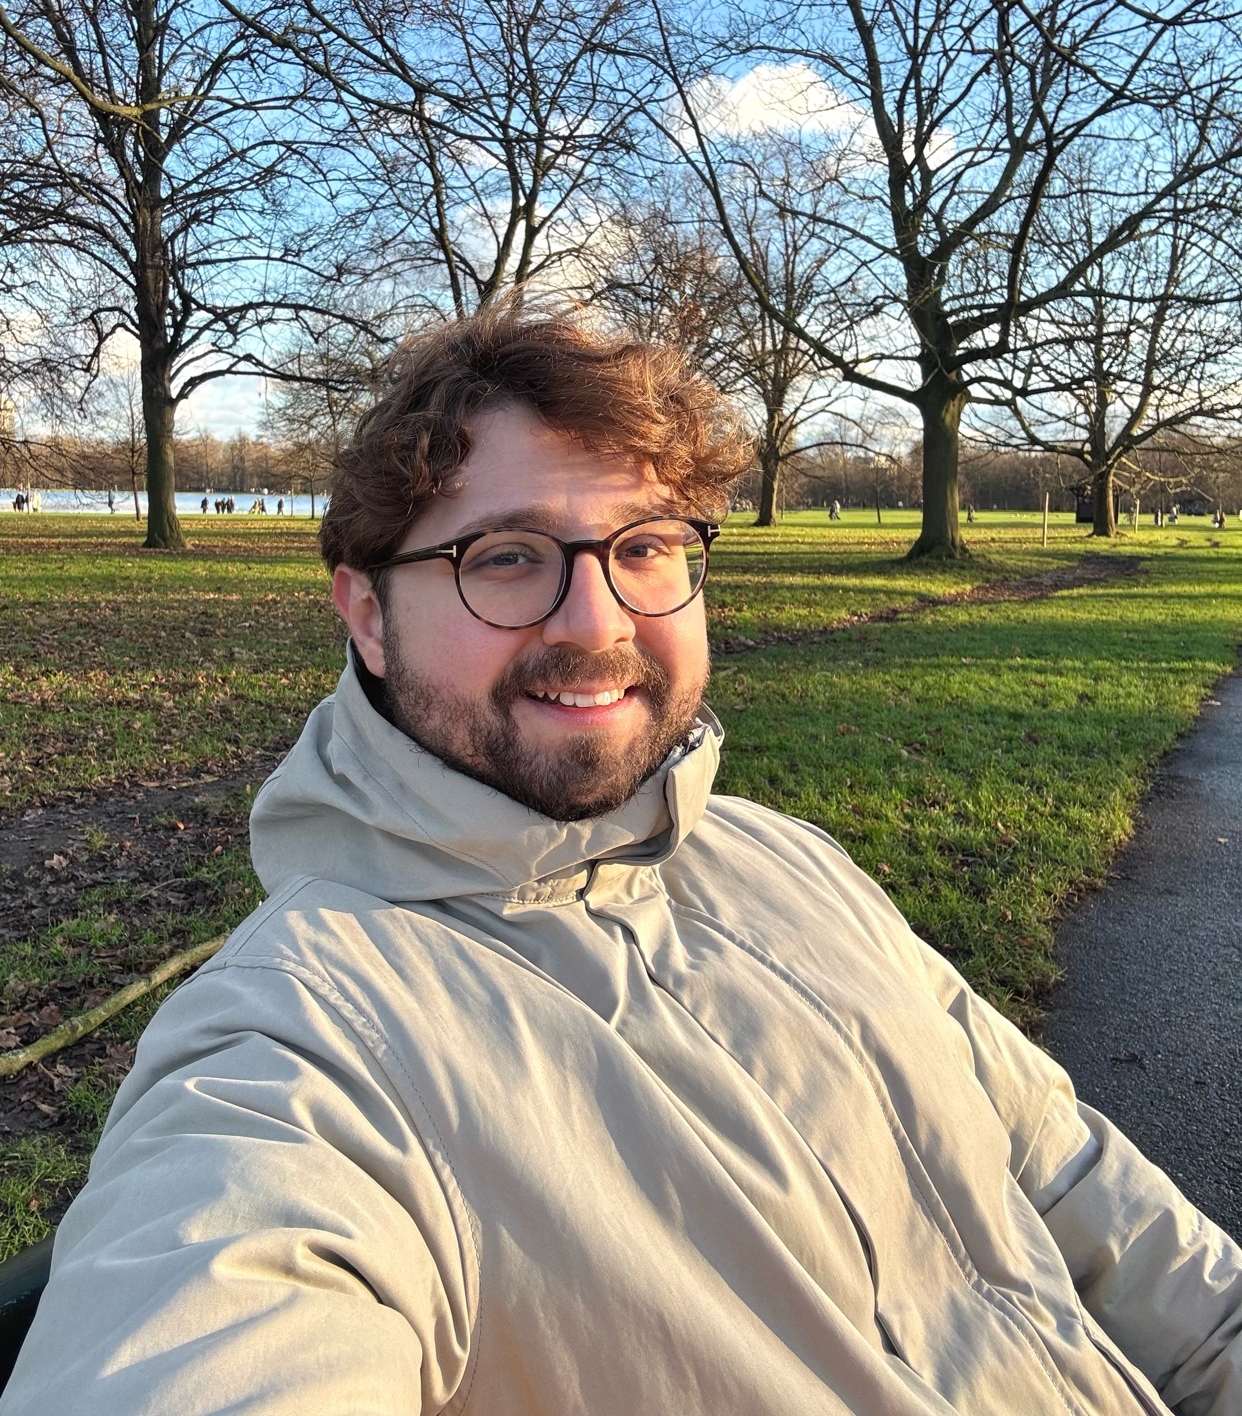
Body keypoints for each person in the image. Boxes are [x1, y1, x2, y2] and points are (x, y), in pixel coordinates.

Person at [5, 308, 1240, 1416]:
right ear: (369, 614)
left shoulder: (789, 861)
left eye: (644, 546)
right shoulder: (298, 1047)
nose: (596, 622)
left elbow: (1064, 1173)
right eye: (503, 556)